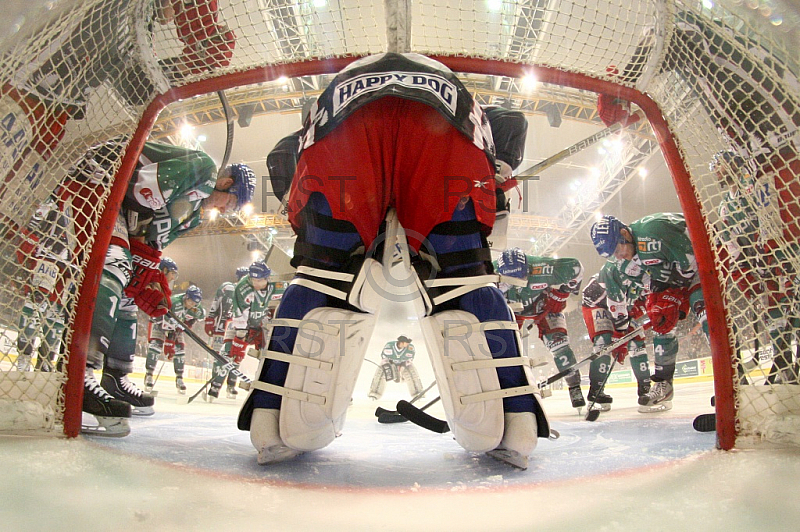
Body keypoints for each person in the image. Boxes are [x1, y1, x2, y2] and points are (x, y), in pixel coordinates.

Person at [237, 52, 548, 470]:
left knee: (319, 277)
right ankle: (516, 423)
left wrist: (304, 217)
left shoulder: (335, 95)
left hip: (342, 126)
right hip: (443, 123)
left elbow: (280, 156)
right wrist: (500, 166)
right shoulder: (465, 96)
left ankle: (269, 420)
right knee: (464, 279)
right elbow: (512, 119)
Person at [76, 139, 254, 436]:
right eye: (231, 203)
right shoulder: (203, 168)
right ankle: (79, 372)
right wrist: (142, 259)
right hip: (99, 180)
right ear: (226, 182)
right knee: (115, 267)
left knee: (128, 297)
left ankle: (115, 376)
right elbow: (140, 193)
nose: (225, 212)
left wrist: (150, 273)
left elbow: (153, 242)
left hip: (117, 203)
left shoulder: (194, 213)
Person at [590, 213, 708, 411]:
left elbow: (690, 262)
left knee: (704, 311)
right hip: (678, 276)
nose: (618, 256)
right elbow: (651, 283)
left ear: (624, 233)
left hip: (703, 263)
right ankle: (664, 384)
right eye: (612, 255)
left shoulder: (652, 230)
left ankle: (731, 379)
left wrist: (676, 297)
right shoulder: (626, 262)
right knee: (660, 320)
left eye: (618, 249)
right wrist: (659, 301)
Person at [712, 151, 799, 384]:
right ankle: (785, 364)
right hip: (757, 263)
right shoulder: (723, 207)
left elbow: (769, 213)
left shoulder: (751, 186)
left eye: (719, 165)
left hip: (775, 252)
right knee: (773, 314)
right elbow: (732, 243)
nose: (717, 172)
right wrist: (744, 271)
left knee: (794, 303)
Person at [495, 247, 586, 411]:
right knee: (506, 351)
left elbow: (576, 268)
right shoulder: (489, 274)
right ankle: (507, 386)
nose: (518, 281)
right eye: (511, 278)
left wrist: (564, 292)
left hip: (543, 307)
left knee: (560, 345)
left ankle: (574, 387)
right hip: (513, 311)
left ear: (528, 267)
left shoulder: (542, 267)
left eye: (521, 275)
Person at [581, 261, 655, 411]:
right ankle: (596, 390)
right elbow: (595, 299)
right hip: (596, 305)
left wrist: (630, 320)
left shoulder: (647, 278)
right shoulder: (612, 276)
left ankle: (645, 389)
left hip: (624, 308)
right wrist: (619, 334)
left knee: (636, 340)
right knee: (604, 342)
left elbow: (644, 302)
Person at [207, 261, 273, 402]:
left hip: (259, 325)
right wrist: (239, 341)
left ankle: (243, 387)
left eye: (259, 280)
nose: (255, 283)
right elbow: (237, 315)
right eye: (252, 280)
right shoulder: (238, 289)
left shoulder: (272, 286)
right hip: (236, 324)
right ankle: (215, 386)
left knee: (265, 356)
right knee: (228, 354)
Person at [144, 285, 205, 394]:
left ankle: (179, 378)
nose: (192, 305)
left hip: (176, 327)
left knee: (180, 350)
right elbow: (163, 318)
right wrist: (169, 341)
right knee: (155, 346)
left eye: (195, 303)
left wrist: (190, 322)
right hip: (160, 322)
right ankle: (149, 375)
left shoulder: (197, 308)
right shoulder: (174, 302)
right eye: (190, 301)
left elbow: (200, 316)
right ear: (186, 297)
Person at [368, 335, 424, 400]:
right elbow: (384, 358)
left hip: (404, 365)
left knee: (412, 372)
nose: (407, 344)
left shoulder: (410, 348)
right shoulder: (389, 346)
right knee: (380, 372)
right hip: (389, 364)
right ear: (401, 342)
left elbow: (410, 360)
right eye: (406, 343)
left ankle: (418, 393)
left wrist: (402, 367)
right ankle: (374, 393)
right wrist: (390, 367)